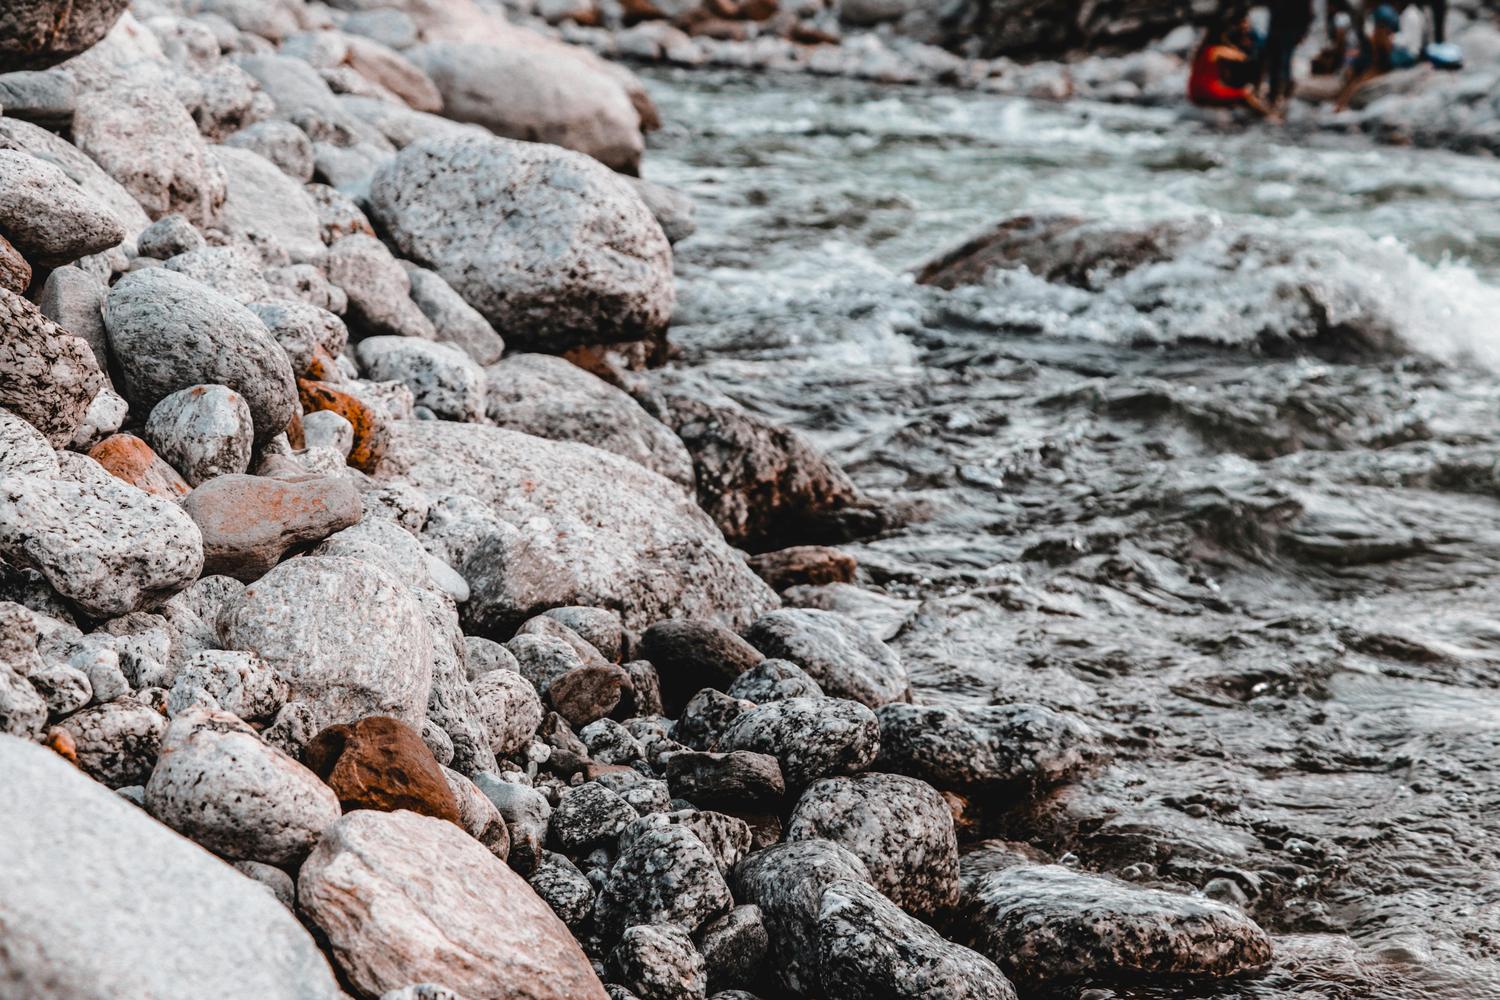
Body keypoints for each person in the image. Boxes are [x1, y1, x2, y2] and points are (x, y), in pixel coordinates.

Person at [1334, 3, 1418, 110]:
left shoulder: (1406, 17)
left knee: (1356, 82)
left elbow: (1403, 47)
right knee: (1354, 76)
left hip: (1394, 60)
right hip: (1377, 59)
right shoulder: (1381, 22)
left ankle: (1342, 104)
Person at [1188, 16, 1276, 117]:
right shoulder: (1217, 50)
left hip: (1194, 91)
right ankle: (1267, 115)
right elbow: (1242, 57)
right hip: (1207, 91)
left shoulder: (1202, 49)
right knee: (1245, 93)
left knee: (1235, 91)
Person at [1264, 0, 1315, 106]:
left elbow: (1308, 14)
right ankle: (1275, 94)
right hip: (1278, 29)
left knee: (1283, 62)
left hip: (1287, 30)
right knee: (1277, 63)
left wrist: (1301, 32)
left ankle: (1282, 93)